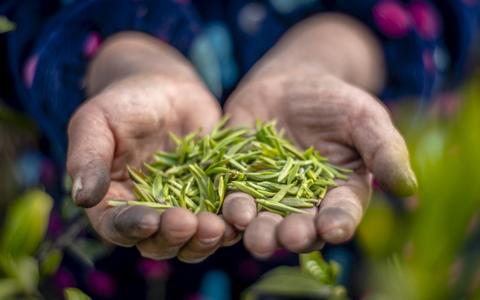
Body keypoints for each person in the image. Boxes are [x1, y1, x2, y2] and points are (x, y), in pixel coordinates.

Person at [1, 0, 478, 298]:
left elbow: (444, 9)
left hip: (341, 262)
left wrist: (335, 51)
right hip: (105, 259)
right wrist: (118, 59)